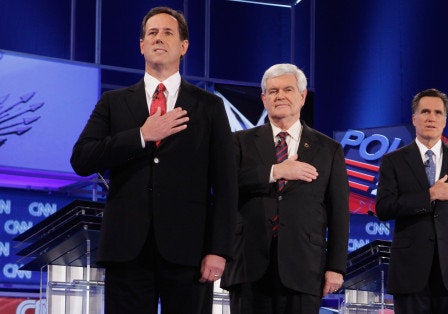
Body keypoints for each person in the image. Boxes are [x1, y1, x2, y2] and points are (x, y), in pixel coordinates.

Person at [70, 6, 237, 314]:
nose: (159, 38)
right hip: (126, 251)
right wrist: (141, 135)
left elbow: (226, 186)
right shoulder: (113, 102)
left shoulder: (209, 107)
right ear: (142, 46)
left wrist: (218, 250)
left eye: (168, 32)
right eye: (152, 33)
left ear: (183, 46)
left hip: (189, 252)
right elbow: (81, 159)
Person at [220, 63, 350, 314]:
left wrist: (336, 267)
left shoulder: (328, 149)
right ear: (263, 98)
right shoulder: (239, 142)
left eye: (288, 89)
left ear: (302, 97)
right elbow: (224, 187)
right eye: (273, 91)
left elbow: (338, 213)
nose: (280, 96)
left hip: (304, 267)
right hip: (248, 264)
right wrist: (275, 171)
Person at [375, 88, 448, 314]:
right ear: (414, 118)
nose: (431, 117)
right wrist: (430, 195)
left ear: (445, 120)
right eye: (425, 111)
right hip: (410, 272)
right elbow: (384, 208)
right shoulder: (393, 160)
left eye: (438, 112)